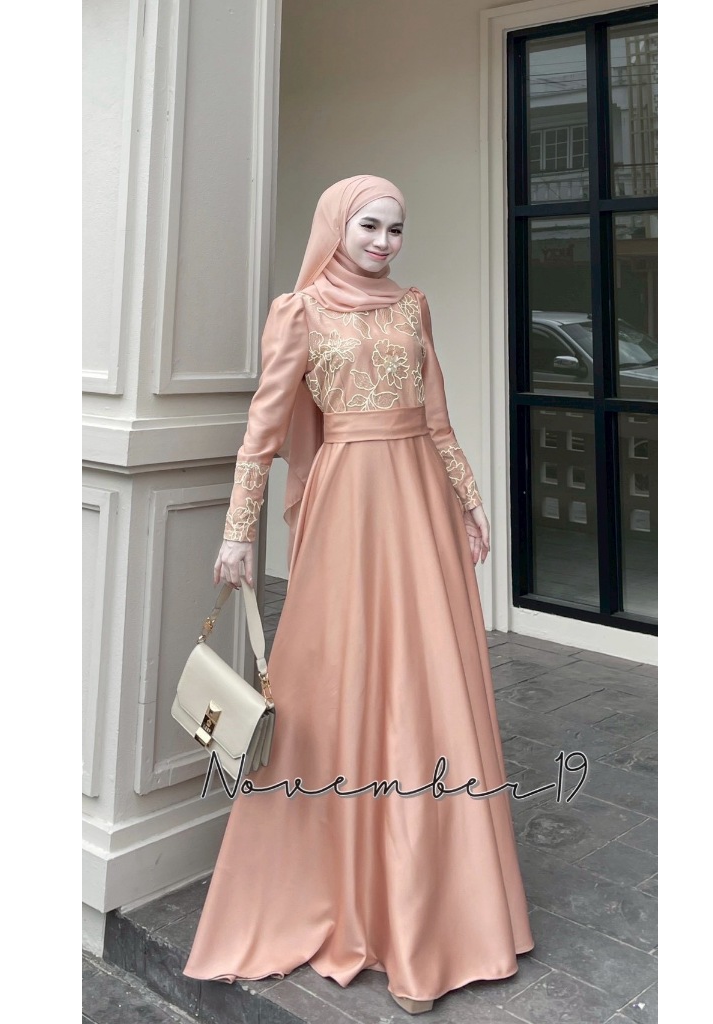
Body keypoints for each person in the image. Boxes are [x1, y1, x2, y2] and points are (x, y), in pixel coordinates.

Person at [183, 175, 534, 1015]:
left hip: (420, 506)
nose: (383, 241)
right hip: (345, 509)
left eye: (396, 229)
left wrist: (470, 502)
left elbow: (438, 419)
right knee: (341, 686)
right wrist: (238, 532)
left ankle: (439, 916)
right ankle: (342, 894)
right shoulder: (300, 312)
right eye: (370, 225)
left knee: (430, 683)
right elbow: (262, 433)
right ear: (337, 226)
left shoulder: (413, 307)